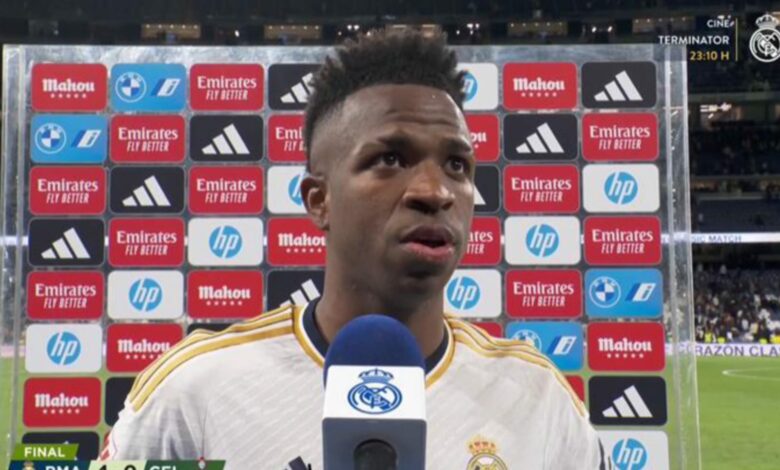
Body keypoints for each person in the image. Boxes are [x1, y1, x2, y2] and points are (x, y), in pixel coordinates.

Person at [102, 28, 607, 469]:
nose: (435, 191)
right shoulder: (196, 390)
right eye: (391, 159)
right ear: (319, 200)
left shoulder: (537, 397)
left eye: (457, 165)